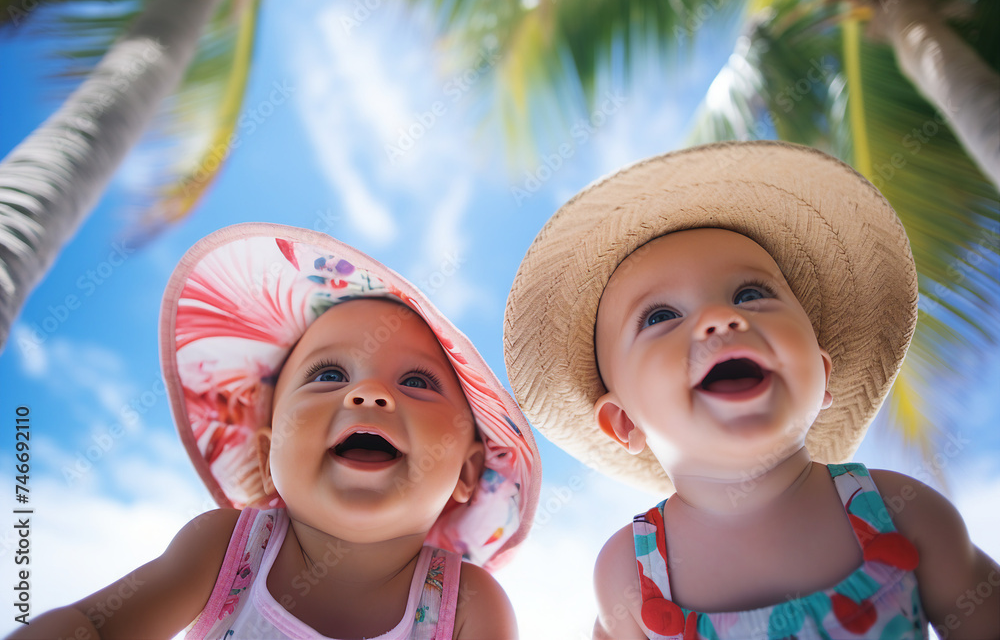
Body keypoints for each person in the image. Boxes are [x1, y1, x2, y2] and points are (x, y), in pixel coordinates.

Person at [503, 142, 999, 640]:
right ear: (625, 422)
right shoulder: (628, 578)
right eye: (660, 316)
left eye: (751, 294)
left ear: (822, 374)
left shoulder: (902, 511)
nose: (721, 318)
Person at [12, 223, 539, 640]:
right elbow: (96, 628)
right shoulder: (225, 549)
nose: (371, 395)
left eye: (417, 382)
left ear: (468, 470)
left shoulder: (469, 606)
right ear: (268, 456)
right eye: (329, 375)